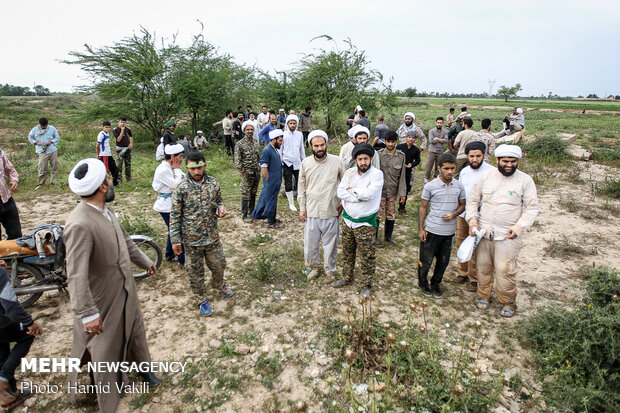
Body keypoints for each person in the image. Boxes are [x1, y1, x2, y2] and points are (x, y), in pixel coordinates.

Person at [65, 158, 159, 413]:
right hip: (103, 299)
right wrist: (87, 313)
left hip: (126, 288)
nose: (111, 180)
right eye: (108, 178)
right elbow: (75, 274)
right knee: (104, 347)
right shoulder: (79, 224)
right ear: (103, 187)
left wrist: (145, 261)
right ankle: (105, 395)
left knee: (136, 329)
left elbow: (125, 241)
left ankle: (144, 370)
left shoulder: (106, 210)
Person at [466, 145, 539, 318]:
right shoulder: (486, 177)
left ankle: (507, 301)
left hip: (508, 235)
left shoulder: (525, 180)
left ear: (517, 162)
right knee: (483, 267)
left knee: (505, 269)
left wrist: (518, 227)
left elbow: (532, 208)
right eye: (505, 161)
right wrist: (473, 221)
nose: (509, 165)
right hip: (484, 233)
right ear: (497, 160)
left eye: (513, 162)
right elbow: (473, 200)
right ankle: (484, 296)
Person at [170, 152, 233, 317]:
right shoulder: (181, 188)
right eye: (192, 168)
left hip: (212, 237)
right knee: (195, 273)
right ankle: (201, 298)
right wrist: (175, 240)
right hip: (192, 241)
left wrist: (220, 208)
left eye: (199, 167)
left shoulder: (213, 183)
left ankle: (218, 284)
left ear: (204, 165)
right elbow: (175, 216)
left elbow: (219, 201)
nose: (196, 171)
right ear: (187, 168)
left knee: (219, 266)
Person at [333, 143, 383, 297]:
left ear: (371, 158)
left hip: (365, 223)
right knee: (348, 252)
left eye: (366, 159)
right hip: (348, 221)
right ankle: (347, 277)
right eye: (360, 159)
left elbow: (369, 195)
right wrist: (358, 195)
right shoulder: (349, 173)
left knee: (367, 255)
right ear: (355, 159)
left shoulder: (377, 175)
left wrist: (352, 191)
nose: (363, 162)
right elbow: (340, 192)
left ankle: (366, 285)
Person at [298, 130, 345, 282]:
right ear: (311, 146)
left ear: (326, 144)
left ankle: (330, 271)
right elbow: (301, 187)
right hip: (311, 210)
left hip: (331, 209)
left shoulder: (337, 161)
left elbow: (345, 184)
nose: (320, 148)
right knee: (310, 243)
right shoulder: (306, 163)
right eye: (316, 146)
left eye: (322, 145)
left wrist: (343, 203)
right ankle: (314, 267)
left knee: (330, 244)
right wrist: (302, 208)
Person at [417, 153, 466, 298]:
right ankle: (422, 283)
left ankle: (436, 283)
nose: (450, 172)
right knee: (425, 260)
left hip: (449, 232)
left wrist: (454, 214)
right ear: (439, 168)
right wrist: (421, 229)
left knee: (443, 262)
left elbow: (463, 205)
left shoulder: (459, 186)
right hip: (431, 230)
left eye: (452, 168)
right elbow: (423, 207)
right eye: (446, 168)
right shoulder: (431, 186)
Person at [0, 262, 42, 410]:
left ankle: (8, 394)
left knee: (2, 351)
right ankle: (4, 379)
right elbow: (10, 305)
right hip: (3, 323)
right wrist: (28, 322)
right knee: (26, 337)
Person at [455, 141, 493, 292]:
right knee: (461, 241)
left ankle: (474, 277)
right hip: (464, 214)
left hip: (481, 216)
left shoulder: (491, 172)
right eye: (471, 156)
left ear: (484, 155)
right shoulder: (464, 172)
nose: (475, 159)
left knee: (476, 246)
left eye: (478, 156)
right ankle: (462, 271)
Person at [152, 143, 186, 265]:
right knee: (177, 230)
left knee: (172, 229)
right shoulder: (163, 169)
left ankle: (169, 254)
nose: (182, 160)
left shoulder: (169, 167)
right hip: (166, 205)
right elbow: (177, 186)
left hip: (172, 203)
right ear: (173, 157)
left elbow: (183, 178)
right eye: (180, 157)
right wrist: (177, 169)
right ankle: (182, 259)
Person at [376, 132, 407, 245]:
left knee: (391, 214)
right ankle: (375, 237)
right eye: (388, 141)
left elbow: (402, 176)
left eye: (392, 142)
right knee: (377, 214)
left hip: (393, 191)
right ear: (385, 142)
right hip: (380, 191)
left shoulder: (401, 156)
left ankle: (388, 236)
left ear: (396, 142)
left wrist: (402, 193)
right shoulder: (378, 155)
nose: (390, 144)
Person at [252, 130, 284, 228]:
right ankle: (271, 222)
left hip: (276, 181)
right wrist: (268, 180)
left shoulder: (274, 149)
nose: (281, 143)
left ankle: (272, 218)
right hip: (271, 181)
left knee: (272, 200)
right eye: (280, 141)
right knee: (270, 201)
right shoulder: (267, 150)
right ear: (274, 140)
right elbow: (264, 166)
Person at [234, 121, 261, 222]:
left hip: (256, 172)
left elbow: (257, 157)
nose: (250, 131)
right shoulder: (240, 144)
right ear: (244, 130)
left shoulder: (255, 142)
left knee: (253, 192)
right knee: (246, 193)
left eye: (251, 129)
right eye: (248, 130)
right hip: (246, 173)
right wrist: (243, 171)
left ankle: (251, 211)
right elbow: (237, 160)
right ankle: (244, 215)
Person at [281, 114, 306, 211]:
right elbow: (281, 149)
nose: (292, 125)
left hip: (297, 162)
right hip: (287, 161)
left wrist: (304, 160)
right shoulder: (283, 134)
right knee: (288, 182)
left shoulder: (299, 135)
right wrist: (280, 161)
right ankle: (291, 203)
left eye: (294, 123)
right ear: (287, 124)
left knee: (300, 182)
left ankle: (301, 202)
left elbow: (301, 149)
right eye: (291, 123)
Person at [27, 117, 60, 189]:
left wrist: (51, 141)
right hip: (42, 151)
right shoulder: (34, 130)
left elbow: (57, 138)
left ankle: (53, 182)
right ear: (40, 125)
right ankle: (41, 184)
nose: (45, 127)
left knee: (54, 166)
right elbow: (30, 138)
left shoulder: (52, 128)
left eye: (46, 125)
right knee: (42, 168)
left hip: (52, 150)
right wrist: (37, 142)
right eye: (43, 126)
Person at [396, 132, 421, 214]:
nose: (411, 139)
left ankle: (401, 207)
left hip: (407, 171)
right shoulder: (399, 147)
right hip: (398, 170)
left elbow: (418, 160)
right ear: (406, 138)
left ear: (415, 139)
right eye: (409, 137)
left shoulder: (416, 149)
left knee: (405, 189)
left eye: (413, 138)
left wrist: (412, 164)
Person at [0, 148, 21, 239]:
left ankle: (14, 253)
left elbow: (10, 169)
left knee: (15, 234)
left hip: (6, 199)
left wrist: (14, 180)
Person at [425, 117, 449, 183]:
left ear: (442, 123)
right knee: (429, 165)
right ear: (436, 123)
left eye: (441, 123)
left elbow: (446, 141)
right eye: (438, 123)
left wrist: (438, 139)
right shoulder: (431, 131)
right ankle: (426, 178)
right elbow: (431, 141)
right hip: (432, 151)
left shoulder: (445, 132)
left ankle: (437, 178)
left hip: (440, 151)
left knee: (439, 166)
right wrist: (441, 140)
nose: (439, 124)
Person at [96, 121, 119, 186]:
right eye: (106, 127)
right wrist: (98, 154)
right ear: (103, 127)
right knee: (106, 171)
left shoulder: (107, 134)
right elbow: (97, 145)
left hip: (108, 154)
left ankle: (115, 183)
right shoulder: (101, 134)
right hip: (104, 155)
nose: (108, 128)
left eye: (109, 127)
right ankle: (104, 185)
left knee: (115, 169)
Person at [113, 116, 133, 183]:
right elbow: (118, 139)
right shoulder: (116, 130)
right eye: (121, 122)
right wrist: (122, 130)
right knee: (119, 165)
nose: (123, 124)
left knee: (128, 164)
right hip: (120, 149)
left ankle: (128, 179)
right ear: (118, 122)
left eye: (124, 122)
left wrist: (131, 143)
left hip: (127, 149)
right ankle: (119, 179)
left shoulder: (127, 129)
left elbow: (131, 136)